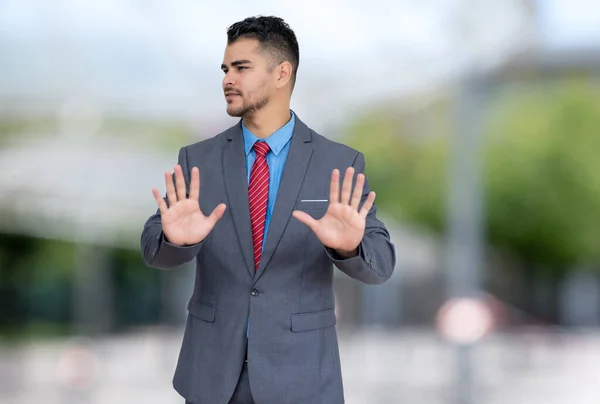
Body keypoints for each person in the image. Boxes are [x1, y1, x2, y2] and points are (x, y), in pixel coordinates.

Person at [140, 15, 396, 404]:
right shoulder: (198, 159)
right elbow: (152, 249)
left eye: (241, 68)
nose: (227, 79)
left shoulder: (338, 163)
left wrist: (347, 248)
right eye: (225, 69)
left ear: (282, 73)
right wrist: (174, 241)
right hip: (212, 377)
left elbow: (380, 266)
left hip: (303, 379)